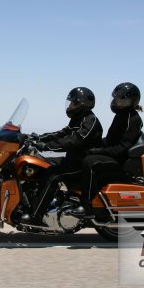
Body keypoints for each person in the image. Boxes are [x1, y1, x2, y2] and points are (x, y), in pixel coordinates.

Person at [22, 87, 103, 224]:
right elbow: (61, 133)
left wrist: (47, 146)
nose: (70, 106)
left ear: (82, 104)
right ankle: (35, 201)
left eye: (73, 103)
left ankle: (36, 216)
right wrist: (38, 138)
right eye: (70, 103)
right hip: (72, 160)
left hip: (81, 164)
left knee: (52, 176)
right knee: (40, 163)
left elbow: (74, 141)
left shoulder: (90, 121)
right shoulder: (78, 119)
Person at [73, 82, 144, 217]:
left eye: (121, 100)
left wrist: (97, 151)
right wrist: (94, 145)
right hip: (114, 154)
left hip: (120, 159)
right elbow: (111, 140)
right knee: (82, 154)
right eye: (116, 99)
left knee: (90, 162)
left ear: (131, 101)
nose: (117, 102)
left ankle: (86, 205)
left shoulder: (133, 119)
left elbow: (122, 147)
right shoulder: (122, 116)